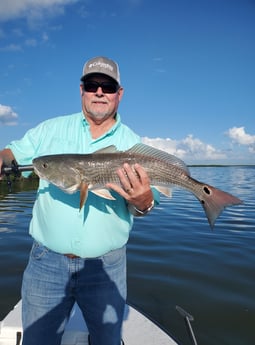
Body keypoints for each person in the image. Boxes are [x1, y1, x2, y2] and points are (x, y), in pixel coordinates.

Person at [0, 56, 158, 345]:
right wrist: (2, 157)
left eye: (107, 86)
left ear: (119, 93)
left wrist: (144, 200)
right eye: (92, 84)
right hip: (45, 264)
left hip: (107, 268)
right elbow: (13, 153)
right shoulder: (48, 130)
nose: (99, 92)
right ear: (82, 89)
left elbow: (147, 204)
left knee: (107, 341)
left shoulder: (135, 145)